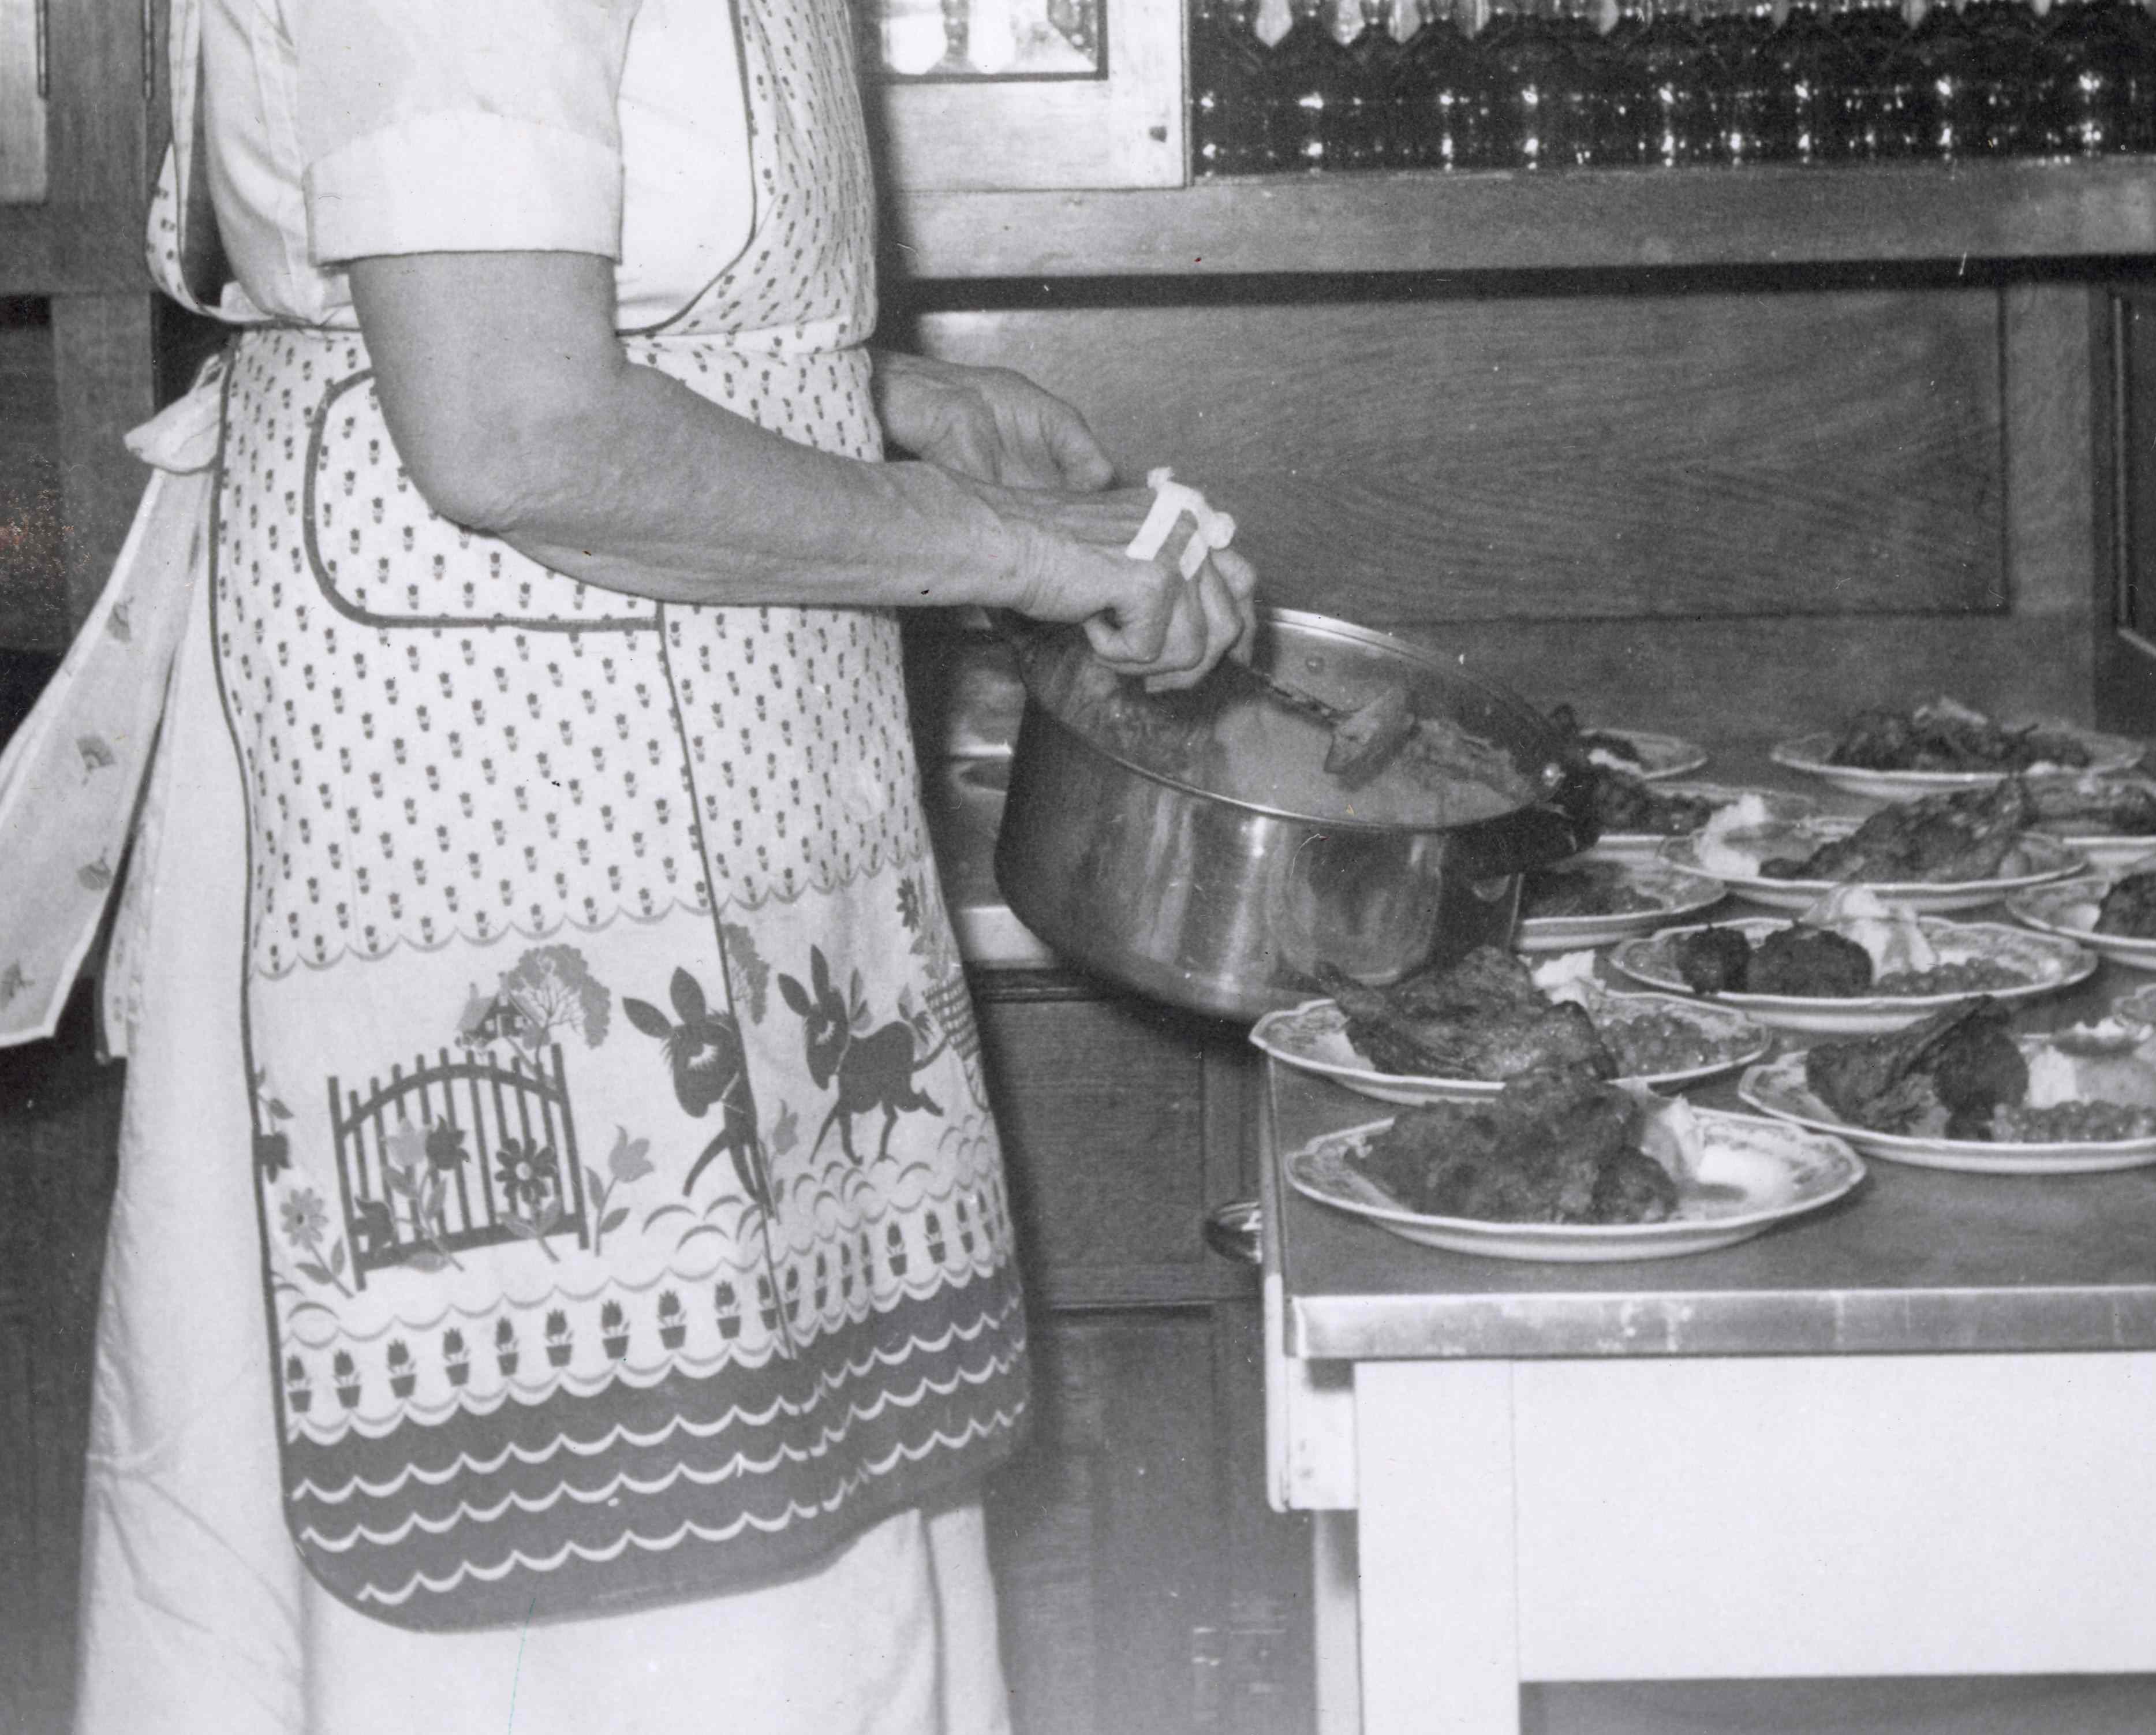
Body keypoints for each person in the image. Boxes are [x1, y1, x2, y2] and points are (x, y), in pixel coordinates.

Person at [9, 0, 1251, 1729]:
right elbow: (512, 425)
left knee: (787, 1521)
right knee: (599, 1600)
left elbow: (505, 260)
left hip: (700, 784)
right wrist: (1016, 547)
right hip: (488, 802)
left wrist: (867, 396)